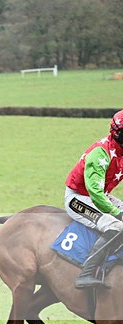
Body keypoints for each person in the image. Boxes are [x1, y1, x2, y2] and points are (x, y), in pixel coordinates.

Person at [65, 109, 123, 289]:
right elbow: (95, 193)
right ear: (119, 134)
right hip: (79, 198)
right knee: (116, 226)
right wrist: (116, 212)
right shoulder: (101, 153)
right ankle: (86, 273)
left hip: (100, 196)